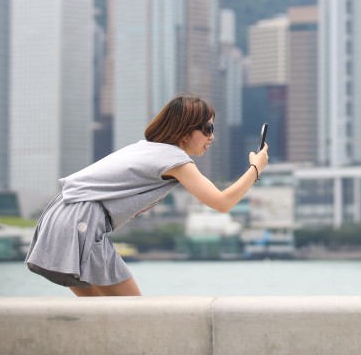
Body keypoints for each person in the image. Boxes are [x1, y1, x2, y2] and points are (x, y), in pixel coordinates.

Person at [25, 94, 269, 296]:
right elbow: (222, 202)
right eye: (207, 128)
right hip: (82, 219)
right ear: (185, 131)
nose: (211, 137)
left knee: (102, 316)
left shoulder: (144, 148)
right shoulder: (174, 159)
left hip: (61, 215)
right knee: (135, 315)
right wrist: (255, 168)